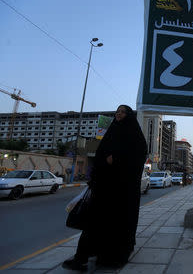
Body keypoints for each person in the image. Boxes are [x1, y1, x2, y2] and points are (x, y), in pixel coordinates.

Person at [63, 105, 147, 270]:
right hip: (103, 187)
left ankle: (110, 257)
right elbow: (100, 154)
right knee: (93, 223)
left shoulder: (134, 135)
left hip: (122, 191)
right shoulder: (112, 132)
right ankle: (81, 258)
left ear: (129, 115)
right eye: (117, 111)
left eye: (122, 112)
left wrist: (117, 158)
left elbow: (138, 155)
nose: (119, 114)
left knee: (117, 223)